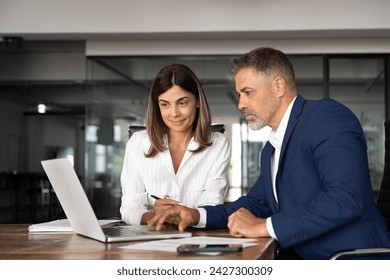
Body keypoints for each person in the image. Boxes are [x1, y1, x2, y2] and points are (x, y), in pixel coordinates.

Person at [147, 47, 390, 259]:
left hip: (347, 260)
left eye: (248, 92)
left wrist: (266, 226)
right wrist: (195, 215)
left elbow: (345, 199)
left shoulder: (325, 117)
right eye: (240, 95)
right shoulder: (272, 147)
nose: (241, 103)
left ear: (278, 86)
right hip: (300, 257)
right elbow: (256, 204)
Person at [120, 64, 231, 226]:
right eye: (165, 104)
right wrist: (153, 216)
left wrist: (183, 214)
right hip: (151, 239)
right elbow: (129, 207)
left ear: (197, 102)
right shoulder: (137, 143)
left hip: (198, 239)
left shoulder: (218, 144)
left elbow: (212, 204)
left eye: (182, 103)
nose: (174, 113)